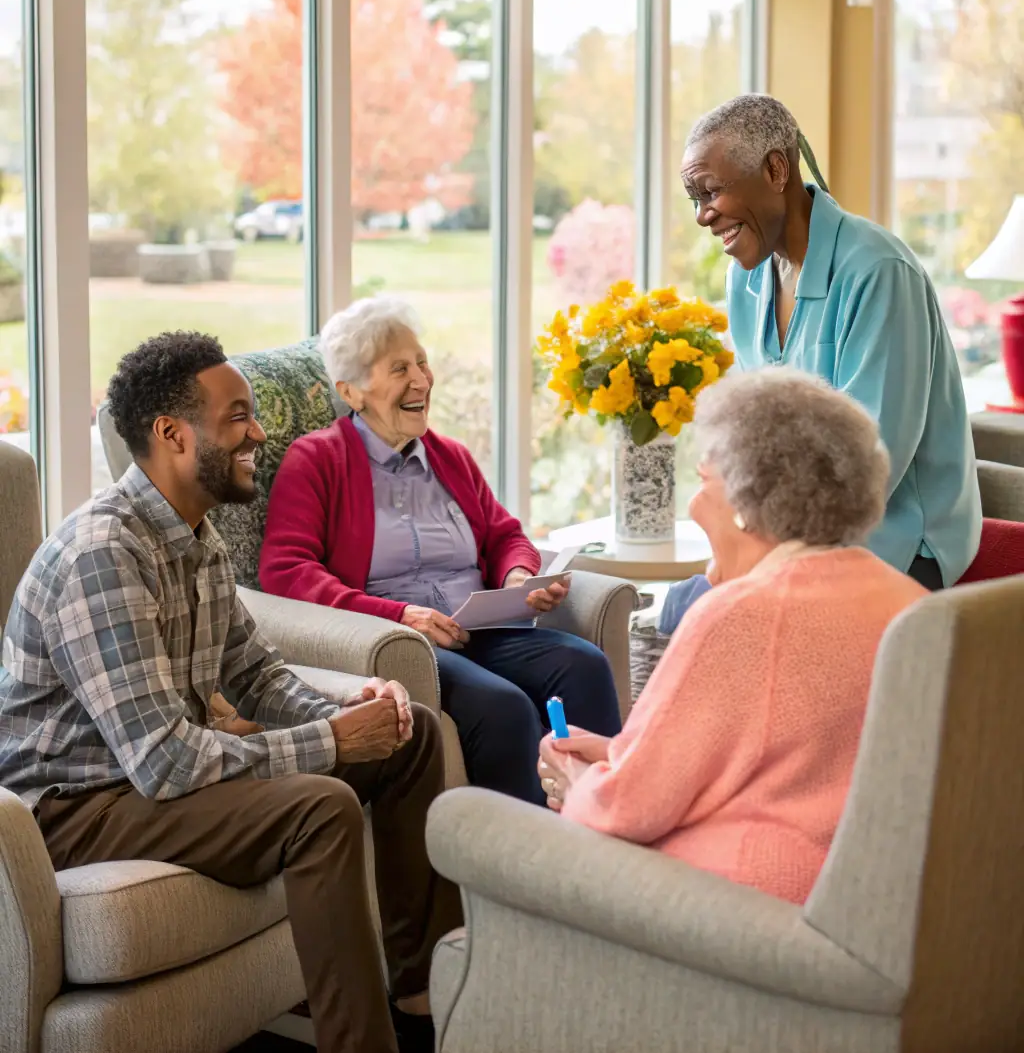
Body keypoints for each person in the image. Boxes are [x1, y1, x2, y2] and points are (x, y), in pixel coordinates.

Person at [0, 332, 460, 1053]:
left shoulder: (195, 536)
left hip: (143, 785)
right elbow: (165, 763)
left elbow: (256, 674)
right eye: (238, 416)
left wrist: (352, 715)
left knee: (415, 733)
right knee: (319, 806)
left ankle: (420, 1002)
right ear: (172, 433)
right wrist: (333, 743)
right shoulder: (101, 555)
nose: (261, 432)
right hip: (74, 810)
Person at [538, 368, 926, 906]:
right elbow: (796, 765)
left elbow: (622, 813)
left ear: (747, 501)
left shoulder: (739, 615)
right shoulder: (909, 603)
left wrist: (577, 781)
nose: (693, 505)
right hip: (874, 903)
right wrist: (616, 753)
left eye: (703, 481)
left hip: (748, 917)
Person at [260, 296, 622, 805]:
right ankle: (527, 866)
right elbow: (286, 571)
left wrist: (518, 577)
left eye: (423, 363)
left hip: (482, 628)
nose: (421, 381)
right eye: (399, 369)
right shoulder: (317, 459)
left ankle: (613, 823)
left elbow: (504, 535)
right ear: (352, 391)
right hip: (403, 642)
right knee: (504, 707)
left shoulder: (450, 457)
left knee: (583, 664)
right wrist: (402, 614)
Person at [678, 92, 981, 593]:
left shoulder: (878, 271)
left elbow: (872, 466)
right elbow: (750, 437)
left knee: (709, 610)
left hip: (899, 544)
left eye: (710, 192)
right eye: (695, 199)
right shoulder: (747, 279)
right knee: (687, 605)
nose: (702, 216)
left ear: (777, 170)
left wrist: (765, 559)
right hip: (796, 536)